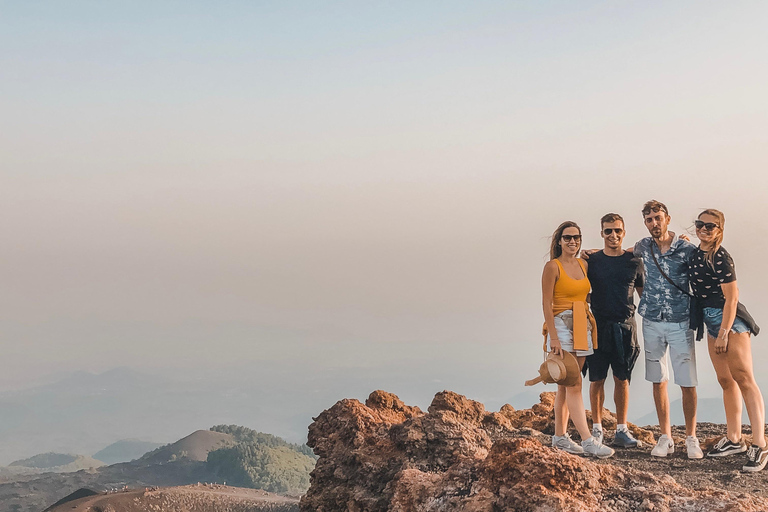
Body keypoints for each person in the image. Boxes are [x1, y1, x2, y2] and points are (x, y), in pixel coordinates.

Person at [690, 209, 767, 471]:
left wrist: (723, 332)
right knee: (725, 380)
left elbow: (732, 298)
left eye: (710, 226)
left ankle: (759, 444)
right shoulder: (695, 253)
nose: (704, 229)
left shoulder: (720, 257)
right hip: (709, 321)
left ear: (720, 230)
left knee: (744, 378)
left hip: (729, 321)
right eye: (700, 224)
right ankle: (734, 438)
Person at [633, 200, 703, 459]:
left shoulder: (686, 249)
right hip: (651, 319)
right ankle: (665, 437)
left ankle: (691, 437)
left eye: (658, 218)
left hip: (680, 320)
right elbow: (619, 254)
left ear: (668, 218)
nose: (654, 223)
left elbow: (704, 268)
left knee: (687, 379)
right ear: (645, 222)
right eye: (649, 219)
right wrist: (591, 253)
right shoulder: (643, 246)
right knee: (657, 377)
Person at [542, 221, 614, 458]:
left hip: (583, 322)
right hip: (562, 324)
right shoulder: (553, 267)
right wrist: (553, 337)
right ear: (559, 241)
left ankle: (560, 437)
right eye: (567, 238)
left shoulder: (584, 264)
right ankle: (587, 440)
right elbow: (546, 303)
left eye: (576, 237)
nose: (572, 241)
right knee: (574, 384)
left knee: (566, 384)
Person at [584, 213, 644, 448]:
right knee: (596, 378)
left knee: (622, 378)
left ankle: (621, 429)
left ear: (624, 233)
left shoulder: (633, 261)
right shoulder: (592, 261)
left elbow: (643, 293)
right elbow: (579, 289)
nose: (613, 235)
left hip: (626, 327)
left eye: (617, 231)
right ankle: (597, 429)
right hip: (598, 325)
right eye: (608, 231)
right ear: (601, 233)